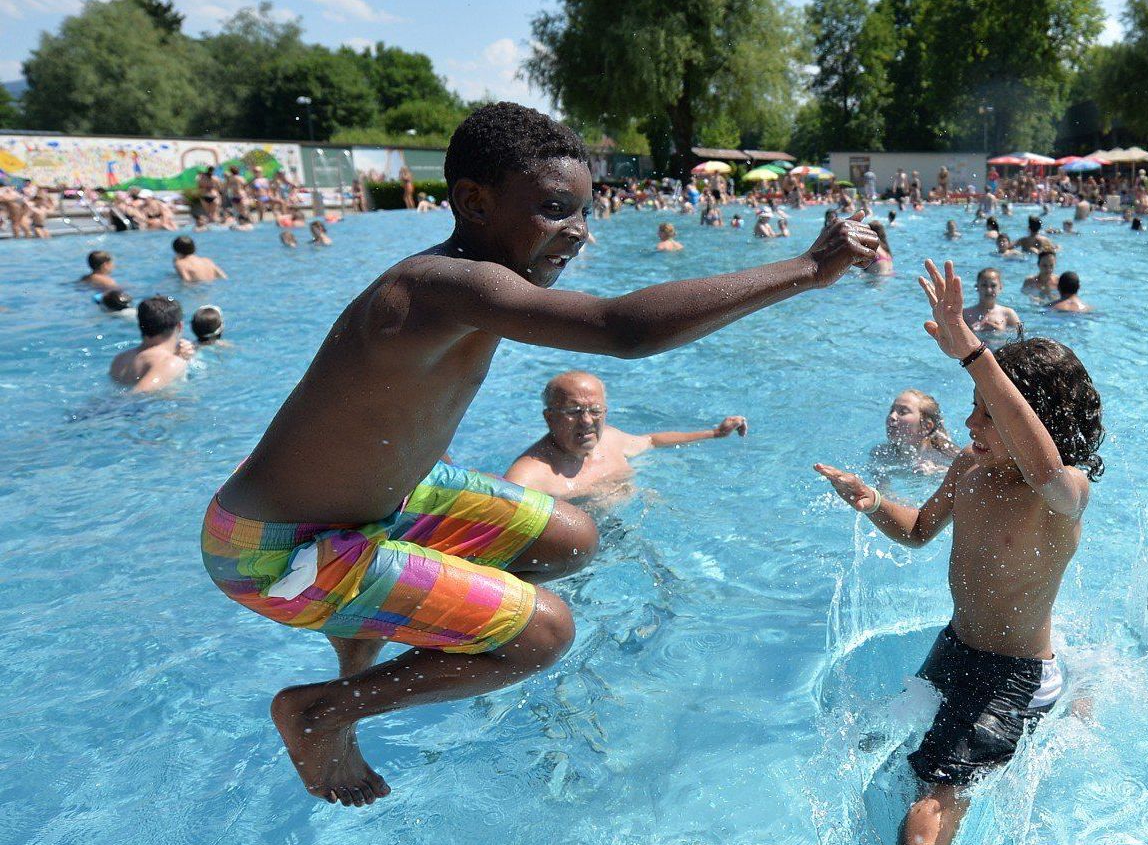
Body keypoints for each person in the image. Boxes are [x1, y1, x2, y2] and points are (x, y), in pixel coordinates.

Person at [198, 103, 878, 807]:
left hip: (380, 504)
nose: (578, 232)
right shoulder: (445, 284)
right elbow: (622, 329)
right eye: (555, 209)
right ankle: (324, 709)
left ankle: (365, 627)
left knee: (570, 535)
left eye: (584, 212)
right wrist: (805, 267)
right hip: (274, 550)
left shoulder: (480, 284)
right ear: (474, 202)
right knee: (544, 632)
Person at [813, 262, 1104, 845]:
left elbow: (1041, 465)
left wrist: (974, 349)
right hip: (954, 654)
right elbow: (918, 532)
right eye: (970, 405)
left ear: (1029, 418)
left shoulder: (1061, 494)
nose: (970, 422)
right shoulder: (969, 469)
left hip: (1011, 678)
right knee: (869, 758)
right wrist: (873, 501)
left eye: (986, 410)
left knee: (924, 825)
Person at [504, 370, 747, 499]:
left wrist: (714, 433)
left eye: (595, 410)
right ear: (550, 417)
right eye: (573, 411)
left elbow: (652, 440)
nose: (587, 421)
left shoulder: (610, 440)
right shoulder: (529, 475)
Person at [109, 296, 195, 393]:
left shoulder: (120, 359)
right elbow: (136, 395)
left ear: (140, 324)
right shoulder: (171, 363)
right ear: (180, 326)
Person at [870, 389, 959, 475]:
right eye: (891, 411)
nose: (892, 416)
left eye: (903, 412)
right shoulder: (881, 455)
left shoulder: (948, 457)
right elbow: (883, 489)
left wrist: (938, 474)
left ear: (926, 427)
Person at [963, 267, 1023, 338]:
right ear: (977, 287)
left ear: (1000, 287)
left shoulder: (1008, 314)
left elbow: (1021, 336)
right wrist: (970, 331)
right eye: (984, 285)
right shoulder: (965, 314)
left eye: (993, 286)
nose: (989, 290)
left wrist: (1000, 331)